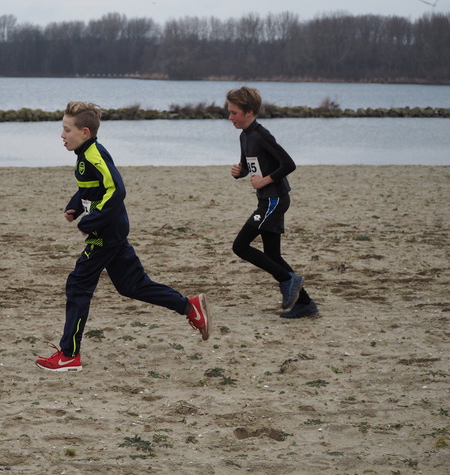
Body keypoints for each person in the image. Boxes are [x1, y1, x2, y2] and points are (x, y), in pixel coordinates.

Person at [36, 101, 210, 372]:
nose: (62, 135)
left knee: (78, 285)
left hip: (105, 233)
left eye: (67, 129)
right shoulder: (84, 155)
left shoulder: (95, 154)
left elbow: (116, 190)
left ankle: (69, 355)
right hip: (112, 230)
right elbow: (91, 188)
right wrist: (75, 205)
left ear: (85, 132)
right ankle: (188, 306)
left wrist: (93, 220)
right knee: (132, 285)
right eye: (62, 129)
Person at [227, 86, 319, 318]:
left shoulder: (262, 134)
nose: (230, 117)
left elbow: (288, 164)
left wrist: (264, 181)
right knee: (273, 256)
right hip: (267, 199)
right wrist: (239, 172)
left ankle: (289, 279)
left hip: (274, 199)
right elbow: (249, 167)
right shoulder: (245, 136)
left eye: (234, 113)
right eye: (229, 112)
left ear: (249, 112)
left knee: (240, 246)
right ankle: (306, 304)